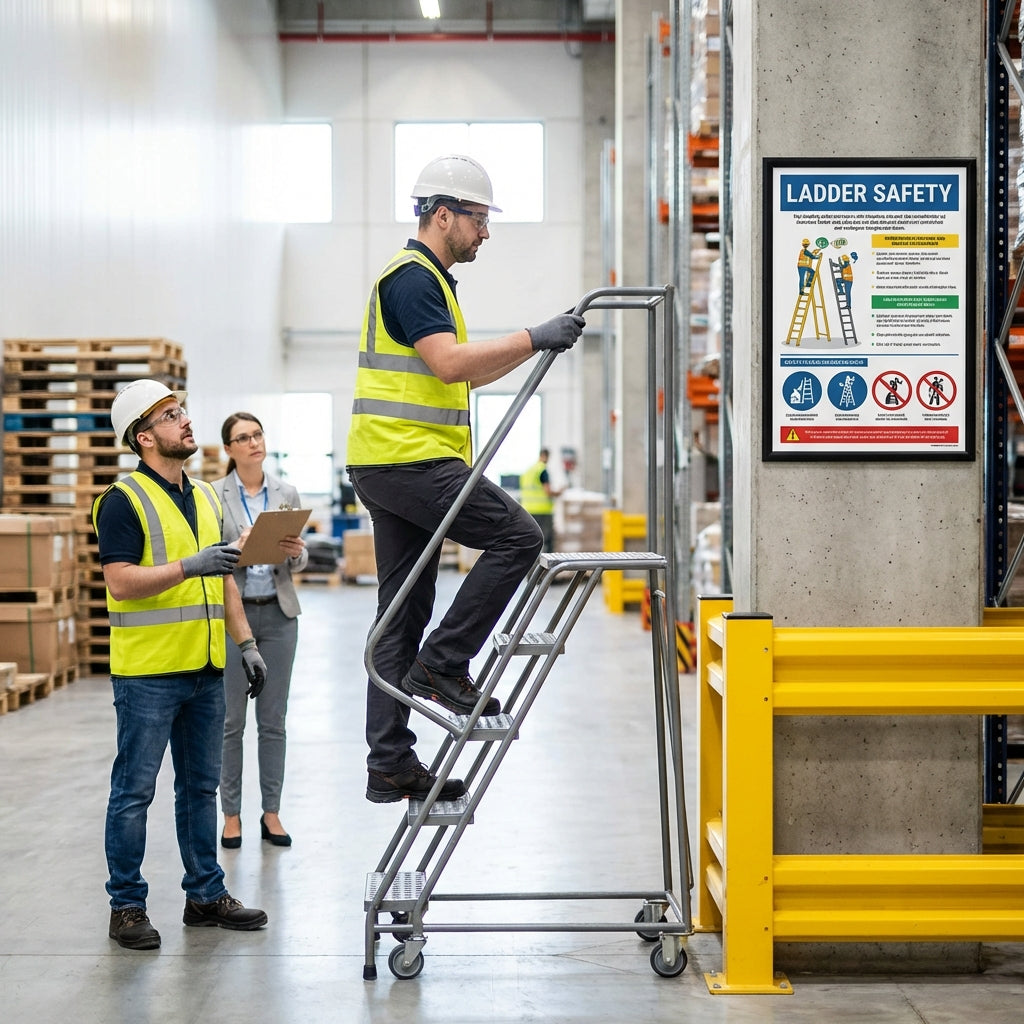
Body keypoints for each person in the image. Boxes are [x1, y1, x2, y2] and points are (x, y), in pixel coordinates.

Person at [346, 153, 585, 804]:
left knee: (401, 613)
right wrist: (534, 336)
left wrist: (534, 345)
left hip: (389, 460)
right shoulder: (414, 278)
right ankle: (444, 664)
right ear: (442, 214)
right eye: (478, 219)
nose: (485, 232)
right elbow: (451, 364)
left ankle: (390, 763)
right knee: (519, 537)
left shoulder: (431, 283)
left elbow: (467, 372)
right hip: (409, 459)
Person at [93, 379, 269, 951]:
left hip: (206, 667)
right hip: (148, 673)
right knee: (134, 791)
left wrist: (246, 644)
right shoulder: (121, 500)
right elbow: (120, 582)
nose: (186, 421)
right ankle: (126, 905)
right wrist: (189, 565)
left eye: (183, 411)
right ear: (145, 438)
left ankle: (205, 895)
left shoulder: (206, 496)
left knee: (200, 789)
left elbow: (222, 579)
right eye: (171, 416)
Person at [212, 412, 308, 849]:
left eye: (257, 434)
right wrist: (237, 547)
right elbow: (209, 558)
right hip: (235, 619)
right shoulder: (214, 497)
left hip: (279, 614)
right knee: (232, 722)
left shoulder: (285, 492)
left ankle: (272, 813)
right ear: (229, 449)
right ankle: (231, 816)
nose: (253, 442)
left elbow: (298, 562)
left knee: (274, 721)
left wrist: (295, 551)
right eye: (242, 438)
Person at [519, 447, 560, 552]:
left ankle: (533, 566)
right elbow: (548, 491)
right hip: (542, 511)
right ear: (545, 456)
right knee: (546, 540)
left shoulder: (529, 470)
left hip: (528, 510)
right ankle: (546, 567)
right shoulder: (542, 470)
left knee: (533, 539)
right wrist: (559, 492)